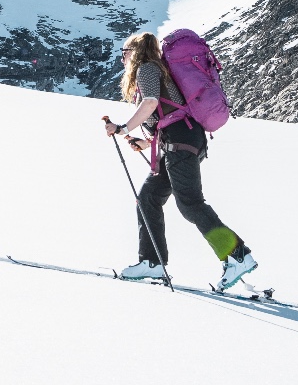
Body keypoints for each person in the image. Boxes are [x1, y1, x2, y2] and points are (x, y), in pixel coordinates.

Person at [105, 32, 256, 289]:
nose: (122, 59)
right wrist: (146, 143)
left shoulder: (147, 68)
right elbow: (169, 115)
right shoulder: (158, 69)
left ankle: (237, 255)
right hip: (178, 140)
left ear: (135, 52)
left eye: (124, 53)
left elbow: (151, 103)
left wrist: (123, 128)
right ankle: (152, 262)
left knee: (190, 204)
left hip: (180, 142)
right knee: (148, 198)